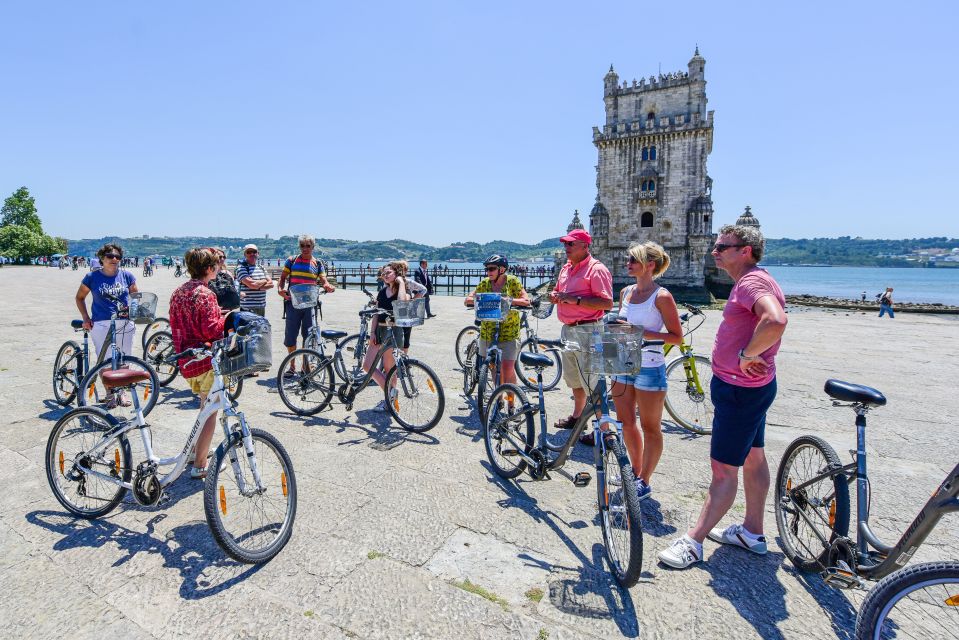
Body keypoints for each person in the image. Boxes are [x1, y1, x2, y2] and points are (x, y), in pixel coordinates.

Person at [658, 224, 787, 569]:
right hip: (751, 390)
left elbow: (775, 321)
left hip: (739, 391)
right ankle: (752, 531)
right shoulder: (754, 280)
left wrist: (746, 354)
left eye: (722, 246)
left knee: (723, 470)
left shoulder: (751, 283)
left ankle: (694, 541)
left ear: (745, 250)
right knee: (754, 457)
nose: (714, 251)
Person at [609, 242, 682, 500]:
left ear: (649, 265)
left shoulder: (661, 296)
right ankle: (635, 473)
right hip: (622, 361)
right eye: (628, 259)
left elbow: (676, 337)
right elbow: (622, 326)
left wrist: (639, 333)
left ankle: (645, 480)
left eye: (633, 260)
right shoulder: (626, 292)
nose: (627, 263)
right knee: (626, 423)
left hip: (650, 365)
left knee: (650, 427)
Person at [169, 248, 230, 479]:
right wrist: (226, 318)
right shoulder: (205, 294)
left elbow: (179, 322)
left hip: (186, 359)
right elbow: (211, 330)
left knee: (204, 407)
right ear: (209, 268)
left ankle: (197, 450)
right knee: (211, 411)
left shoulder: (179, 291)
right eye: (216, 264)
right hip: (204, 359)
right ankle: (201, 464)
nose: (219, 267)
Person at [547, 228, 614, 436]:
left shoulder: (596, 269)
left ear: (585, 246)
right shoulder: (566, 269)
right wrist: (555, 296)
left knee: (593, 381)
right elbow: (560, 291)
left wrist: (575, 300)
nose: (566, 247)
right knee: (574, 379)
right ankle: (577, 418)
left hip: (589, 330)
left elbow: (607, 303)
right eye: (565, 244)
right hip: (569, 330)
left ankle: (603, 430)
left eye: (570, 244)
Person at [464, 255, 530, 389]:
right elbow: (468, 299)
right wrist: (487, 299)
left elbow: (526, 300)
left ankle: (511, 403)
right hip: (488, 332)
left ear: (502, 269)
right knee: (493, 368)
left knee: (507, 370)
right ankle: (498, 398)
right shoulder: (485, 283)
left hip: (509, 333)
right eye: (487, 269)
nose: (488, 272)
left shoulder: (513, 281)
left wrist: (505, 300)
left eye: (492, 269)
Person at [277, 235, 334, 376]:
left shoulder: (318, 263)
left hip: (310, 305)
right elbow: (283, 278)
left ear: (313, 247)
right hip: (293, 304)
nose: (305, 248)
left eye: (308, 245)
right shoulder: (291, 260)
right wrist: (280, 290)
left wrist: (327, 286)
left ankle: (305, 367)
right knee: (291, 336)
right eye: (302, 245)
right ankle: (291, 366)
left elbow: (323, 280)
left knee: (308, 336)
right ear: (299, 247)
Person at [75, 243, 139, 363]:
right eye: (110, 256)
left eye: (118, 257)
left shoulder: (127, 276)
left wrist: (134, 312)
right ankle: (108, 382)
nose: (114, 259)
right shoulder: (92, 277)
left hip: (124, 323)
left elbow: (135, 297)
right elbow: (79, 298)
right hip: (101, 323)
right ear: (102, 258)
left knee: (124, 360)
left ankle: (122, 382)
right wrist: (85, 318)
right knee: (105, 362)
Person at [363, 263, 409, 410]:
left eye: (388, 272)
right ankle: (391, 394)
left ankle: (389, 400)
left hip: (394, 331)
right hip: (379, 331)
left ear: (396, 273)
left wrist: (401, 282)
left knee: (390, 369)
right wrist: (372, 333)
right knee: (367, 366)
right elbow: (376, 313)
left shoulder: (403, 291)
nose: (385, 275)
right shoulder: (382, 292)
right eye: (383, 273)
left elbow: (402, 304)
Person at [235, 243, 273, 316]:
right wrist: (264, 280)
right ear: (245, 254)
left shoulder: (261, 267)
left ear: (258, 254)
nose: (252, 254)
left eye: (254, 252)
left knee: (260, 327)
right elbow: (252, 285)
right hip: (247, 308)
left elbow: (271, 284)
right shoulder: (241, 268)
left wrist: (256, 286)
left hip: (261, 306)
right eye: (249, 252)